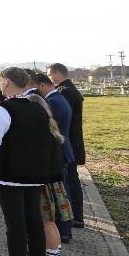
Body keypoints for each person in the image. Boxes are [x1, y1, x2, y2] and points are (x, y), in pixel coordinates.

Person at [0, 67, 53, 256]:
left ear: (6, 82)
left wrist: (0, 157)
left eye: (2, 80)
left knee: (16, 225)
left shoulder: (2, 110)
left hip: (11, 176)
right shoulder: (38, 107)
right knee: (34, 222)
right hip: (35, 174)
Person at [35, 72, 76, 256]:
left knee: (47, 220)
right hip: (54, 176)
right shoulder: (52, 127)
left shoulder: (45, 134)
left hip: (46, 180)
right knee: (51, 221)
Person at [49, 63, 85, 228]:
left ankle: (76, 217)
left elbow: (64, 122)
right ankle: (75, 216)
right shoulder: (67, 89)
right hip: (70, 140)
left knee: (71, 180)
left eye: (50, 74)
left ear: (57, 74)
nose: (49, 77)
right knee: (71, 179)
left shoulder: (65, 92)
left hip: (69, 141)